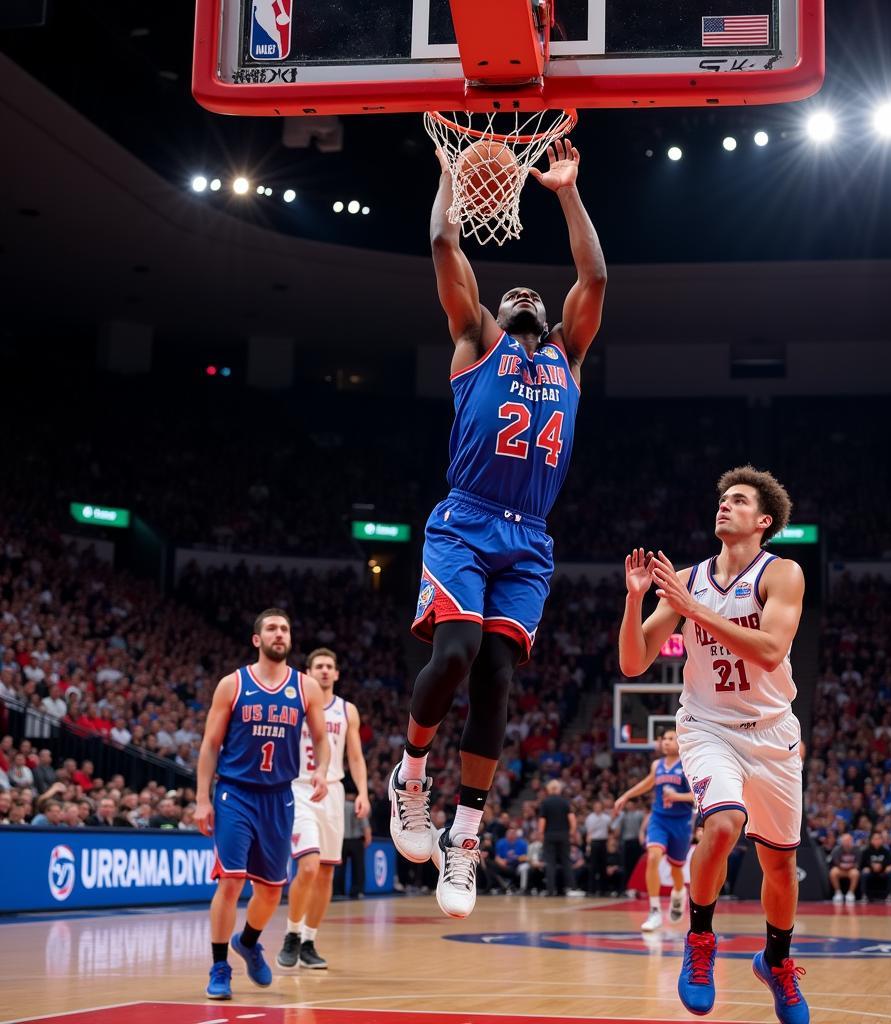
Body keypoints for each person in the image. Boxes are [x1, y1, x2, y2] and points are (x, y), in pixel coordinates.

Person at [388, 137, 607, 920]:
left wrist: (566, 192)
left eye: (531, 295)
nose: (520, 294)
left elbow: (595, 277)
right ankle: (411, 775)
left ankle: (466, 838)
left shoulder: (569, 359)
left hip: (531, 538)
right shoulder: (476, 342)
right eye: (507, 290)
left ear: (546, 320)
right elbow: (445, 241)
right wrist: (450, 175)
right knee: (456, 653)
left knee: (498, 680)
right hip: (466, 519)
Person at [619, 466, 809, 1023]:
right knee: (723, 824)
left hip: (773, 733)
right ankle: (699, 940)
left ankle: (775, 961)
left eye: (740, 500)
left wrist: (693, 610)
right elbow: (633, 662)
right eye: (723, 499)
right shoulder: (687, 580)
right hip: (707, 727)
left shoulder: (784, 573)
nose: (725, 505)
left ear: (764, 520)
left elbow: (771, 650)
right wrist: (636, 602)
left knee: (780, 866)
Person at [196, 609, 328, 1001]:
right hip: (235, 792)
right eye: (271, 628)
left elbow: (321, 738)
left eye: (285, 628)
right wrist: (202, 798)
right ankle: (220, 966)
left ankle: (249, 942)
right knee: (232, 880)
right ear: (257, 639)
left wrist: (322, 770)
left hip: (279, 795)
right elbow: (209, 745)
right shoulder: (232, 684)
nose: (279, 633)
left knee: (271, 890)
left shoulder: (306, 687)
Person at [277, 647, 369, 971]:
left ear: (337, 673)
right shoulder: (295, 703)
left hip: (333, 791)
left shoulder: (347, 710)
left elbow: (355, 757)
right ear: (308, 672)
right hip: (299, 789)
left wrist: (362, 792)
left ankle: (309, 941)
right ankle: (291, 933)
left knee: (327, 871)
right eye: (319, 666)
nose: (325, 671)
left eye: (330, 666)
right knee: (309, 866)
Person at [613, 729, 693, 931]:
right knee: (653, 857)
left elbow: (697, 796)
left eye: (671, 739)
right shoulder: (657, 765)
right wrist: (626, 796)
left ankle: (678, 892)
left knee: (676, 869)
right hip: (659, 818)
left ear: (680, 742)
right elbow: (646, 784)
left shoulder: (688, 765)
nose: (666, 742)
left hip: (681, 822)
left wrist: (677, 797)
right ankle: (655, 910)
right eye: (664, 739)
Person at [538, 779, 576, 897]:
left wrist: (541, 834)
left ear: (549, 789)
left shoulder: (545, 803)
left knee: (550, 863)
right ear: (559, 789)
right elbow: (572, 820)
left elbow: (542, 821)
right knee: (566, 862)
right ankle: (570, 889)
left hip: (549, 836)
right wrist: (571, 833)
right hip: (564, 835)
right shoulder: (565, 802)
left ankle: (550, 890)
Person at [859, 831, 891, 903]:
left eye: (879, 839)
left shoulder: (886, 851)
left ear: (882, 840)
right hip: (871, 871)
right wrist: (870, 866)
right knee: (864, 872)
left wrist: (883, 866)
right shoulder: (866, 851)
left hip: (883, 871)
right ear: (871, 840)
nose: (877, 840)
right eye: (875, 839)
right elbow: (863, 863)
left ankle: (889, 894)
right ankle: (864, 895)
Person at [828, 833, 861, 904]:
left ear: (851, 841)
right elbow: (836, 862)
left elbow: (858, 863)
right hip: (841, 870)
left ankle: (851, 893)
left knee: (855, 873)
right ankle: (838, 892)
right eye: (845, 841)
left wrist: (849, 866)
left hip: (851, 870)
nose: (847, 842)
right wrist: (844, 866)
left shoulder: (856, 849)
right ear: (842, 841)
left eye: (848, 840)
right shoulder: (837, 849)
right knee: (833, 872)